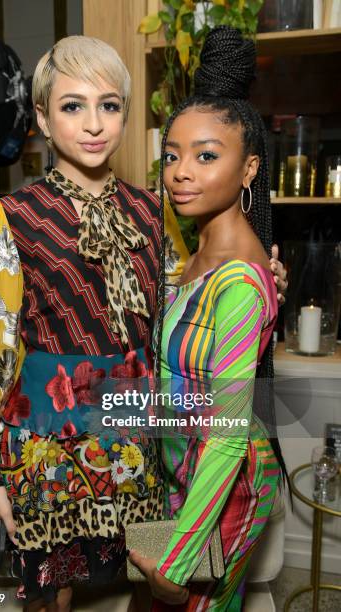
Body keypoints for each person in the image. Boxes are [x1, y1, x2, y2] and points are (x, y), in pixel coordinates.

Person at [0, 34, 287, 612]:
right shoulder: (11, 217)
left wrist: (263, 274)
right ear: (42, 117)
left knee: (161, 585)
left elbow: (187, 292)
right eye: (72, 106)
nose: (93, 124)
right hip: (50, 442)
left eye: (109, 105)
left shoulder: (154, 207)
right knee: (53, 595)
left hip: (142, 444)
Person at [129, 26, 287, 611]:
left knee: (194, 604)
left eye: (205, 155)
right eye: (171, 155)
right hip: (182, 471)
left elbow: (226, 434)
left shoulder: (241, 281)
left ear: (248, 170)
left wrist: (179, 558)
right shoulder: (194, 256)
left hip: (227, 485)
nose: (180, 172)